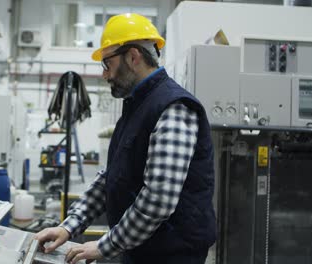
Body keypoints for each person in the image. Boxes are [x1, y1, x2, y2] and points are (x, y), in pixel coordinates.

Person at [35, 13, 216, 264]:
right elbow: (113, 178)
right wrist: (68, 227)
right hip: (141, 250)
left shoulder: (173, 108)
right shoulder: (137, 106)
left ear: (133, 57)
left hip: (170, 255)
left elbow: (158, 200)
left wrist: (105, 246)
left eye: (107, 64)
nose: (105, 74)